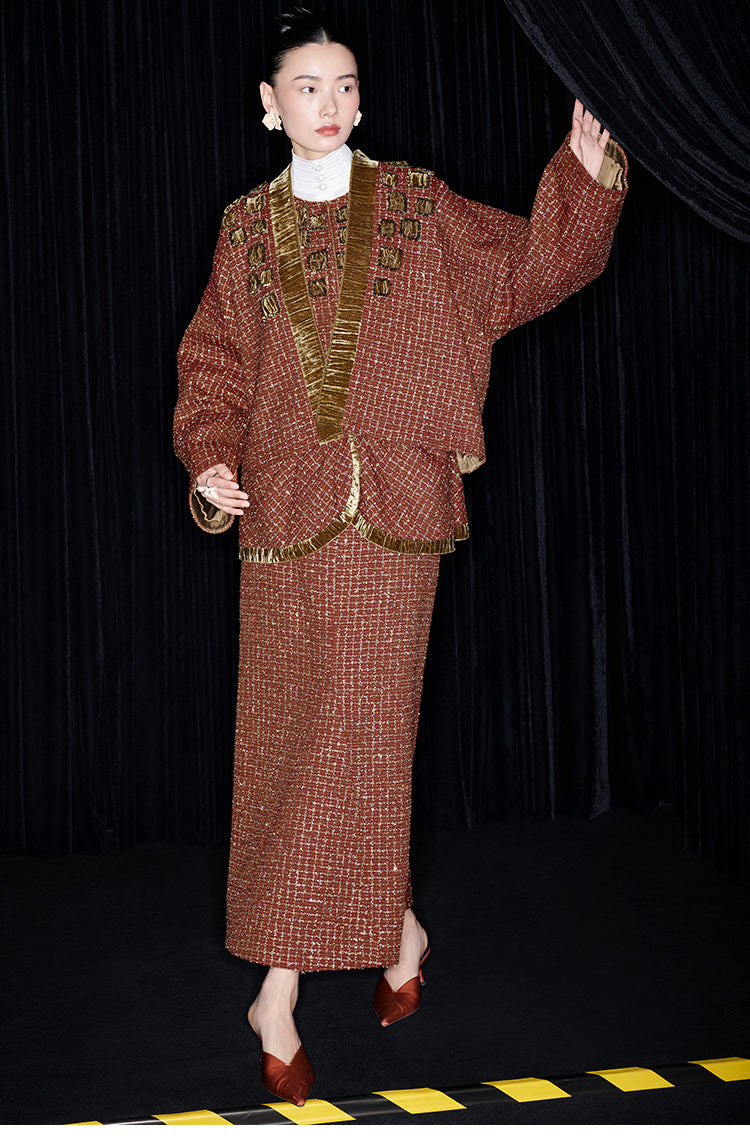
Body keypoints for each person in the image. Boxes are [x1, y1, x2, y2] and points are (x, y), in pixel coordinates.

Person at [173, 10, 627, 1109]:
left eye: (344, 84)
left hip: (397, 514)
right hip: (284, 517)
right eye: (307, 86)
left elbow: (523, 272)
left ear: (360, 98)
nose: (328, 103)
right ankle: (400, 932)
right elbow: (214, 364)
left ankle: (277, 990)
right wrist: (209, 462)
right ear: (269, 106)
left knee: (361, 737)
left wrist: (584, 180)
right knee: (288, 739)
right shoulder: (244, 229)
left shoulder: (417, 205)